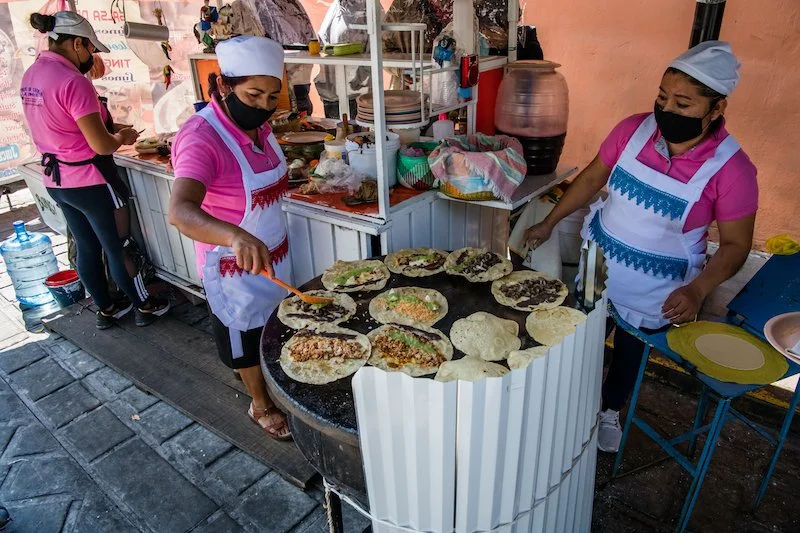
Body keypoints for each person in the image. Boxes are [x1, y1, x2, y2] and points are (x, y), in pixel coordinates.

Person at [523, 41, 758, 453]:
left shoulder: (733, 169)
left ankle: (609, 409)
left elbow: (737, 245)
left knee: (630, 350)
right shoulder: (632, 130)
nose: (667, 111)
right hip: (599, 261)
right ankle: (567, 405)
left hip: (659, 286)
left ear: (716, 109)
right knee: (582, 337)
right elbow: (592, 178)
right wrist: (549, 222)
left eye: (684, 104)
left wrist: (698, 290)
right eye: (663, 97)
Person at [169, 36, 291, 441]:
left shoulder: (260, 127)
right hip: (232, 264)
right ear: (223, 85)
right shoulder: (201, 139)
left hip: (273, 249)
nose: (263, 105)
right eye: (253, 94)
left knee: (274, 326)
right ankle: (261, 404)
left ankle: (275, 388)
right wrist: (235, 236)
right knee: (244, 337)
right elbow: (180, 210)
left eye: (273, 95)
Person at [21, 11, 169, 328]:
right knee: (119, 247)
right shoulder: (74, 82)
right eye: (92, 49)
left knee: (86, 246)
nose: (93, 55)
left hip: (57, 181)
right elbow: (101, 145)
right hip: (92, 179)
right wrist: (123, 136)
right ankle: (144, 305)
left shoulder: (33, 75)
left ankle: (106, 310)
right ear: (77, 43)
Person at [245, 0, 317, 115]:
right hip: (276, 81)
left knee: (301, 118)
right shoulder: (253, 4)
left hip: (297, 77)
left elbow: (307, 38)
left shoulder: (289, 4)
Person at [315, 0, 371, 119]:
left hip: (355, 91)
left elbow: (375, 50)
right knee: (335, 134)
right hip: (332, 92)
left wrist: (358, 80)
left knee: (356, 134)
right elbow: (323, 40)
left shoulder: (367, 8)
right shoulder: (337, 6)